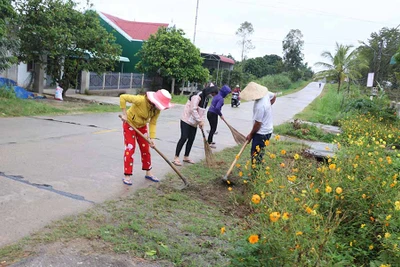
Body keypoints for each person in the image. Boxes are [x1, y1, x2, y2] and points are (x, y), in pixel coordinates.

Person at [119, 89, 172, 185]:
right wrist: (124, 114)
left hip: (142, 127)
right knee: (130, 148)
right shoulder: (140, 100)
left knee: (145, 149)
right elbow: (123, 97)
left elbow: (153, 123)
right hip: (129, 124)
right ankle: (127, 175)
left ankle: (148, 172)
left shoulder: (156, 109)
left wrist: (152, 138)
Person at [173, 86, 219, 166]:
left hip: (194, 122)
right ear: (209, 91)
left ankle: (186, 157)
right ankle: (176, 157)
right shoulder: (197, 96)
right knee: (184, 137)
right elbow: (193, 109)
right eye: (212, 94)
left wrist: (202, 122)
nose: (212, 96)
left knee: (191, 139)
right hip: (186, 120)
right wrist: (199, 120)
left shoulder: (206, 99)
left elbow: (203, 111)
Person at [241, 82, 276, 164]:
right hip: (268, 130)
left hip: (261, 133)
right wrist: (268, 108)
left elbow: (257, 125)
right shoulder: (266, 94)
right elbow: (274, 96)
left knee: (255, 155)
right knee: (259, 153)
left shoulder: (260, 106)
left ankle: (255, 175)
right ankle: (258, 172)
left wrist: (251, 134)